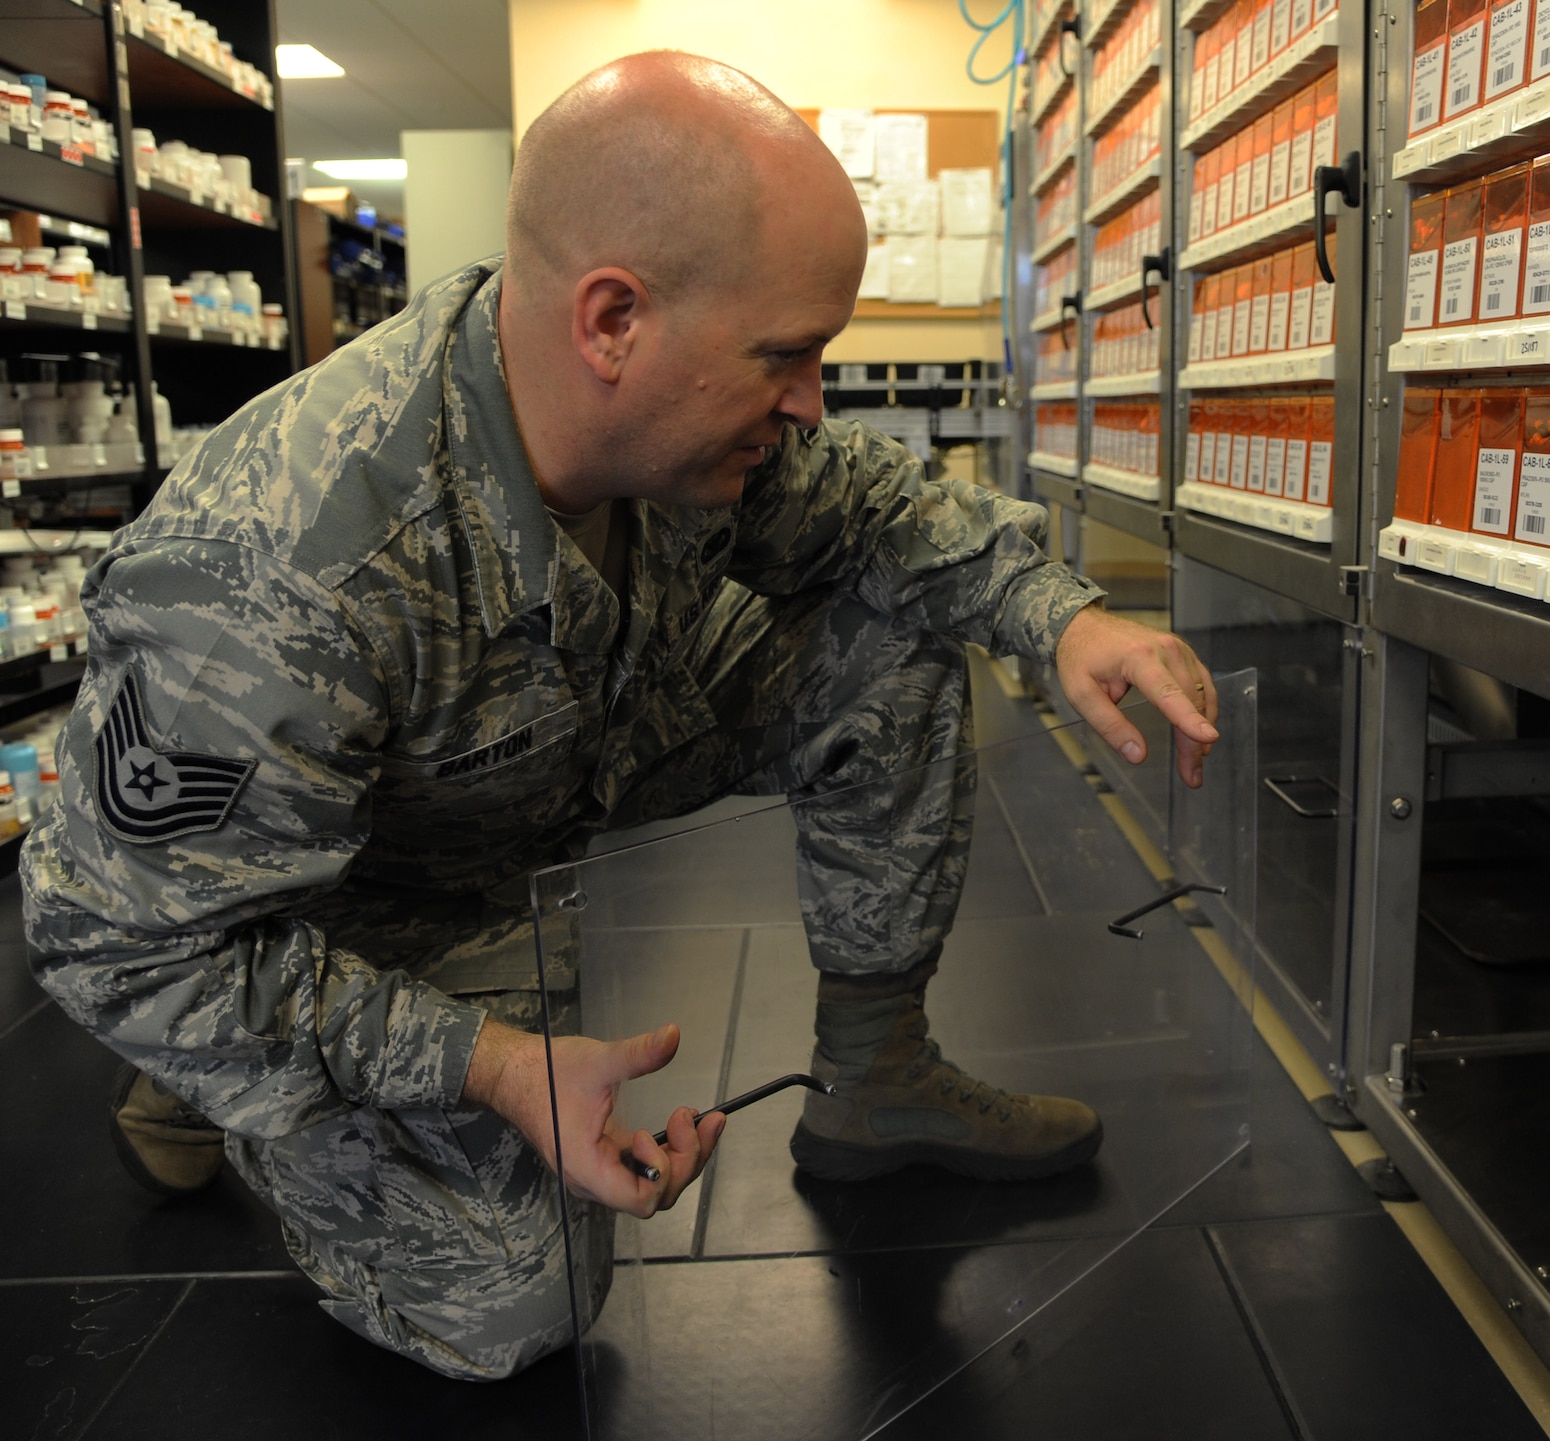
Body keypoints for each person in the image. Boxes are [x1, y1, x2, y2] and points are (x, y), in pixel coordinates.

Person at [23, 51, 1218, 1381]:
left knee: (898, 632)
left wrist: (1063, 613)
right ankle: (221, 1082)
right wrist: (482, 1061)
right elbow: (115, 948)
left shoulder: (674, 419)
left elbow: (872, 502)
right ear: (612, 322)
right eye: (790, 357)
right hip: (352, 903)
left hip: (571, 744)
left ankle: (877, 1072)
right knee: (518, 1301)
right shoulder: (279, 572)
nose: (812, 400)